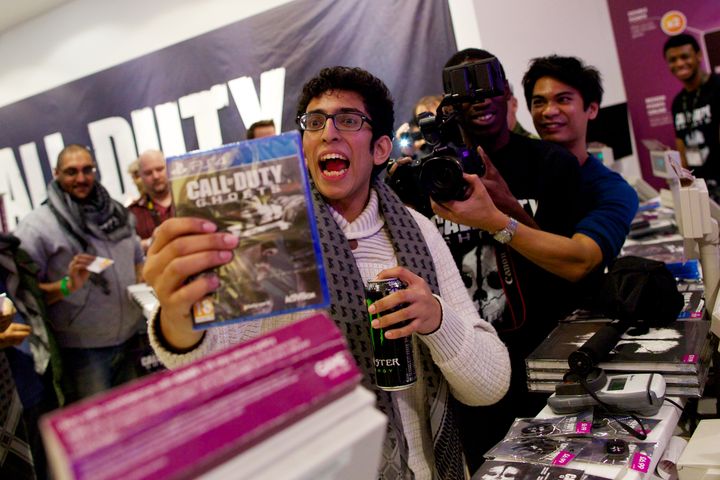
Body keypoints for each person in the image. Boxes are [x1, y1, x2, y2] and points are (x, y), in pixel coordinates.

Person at [144, 66, 511, 479]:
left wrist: (437, 320)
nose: (328, 133)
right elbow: (213, 355)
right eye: (314, 122)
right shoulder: (273, 235)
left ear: (380, 149)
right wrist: (178, 313)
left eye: (349, 120)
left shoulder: (418, 232)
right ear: (302, 146)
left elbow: (490, 384)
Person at [391, 48, 586, 471]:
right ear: (447, 108)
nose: (478, 101)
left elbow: (572, 266)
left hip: (545, 356)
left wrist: (507, 208)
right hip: (468, 364)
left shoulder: (551, 164)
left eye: (487, 90)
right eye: (464, 95)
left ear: (507, 94)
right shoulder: (428, 178)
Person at [14, 144, 145, 403]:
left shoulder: (117, 213)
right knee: (97, 431)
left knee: (137, 423)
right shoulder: (36, 226)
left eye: (87, 170)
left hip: (132, 338)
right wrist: (66, 286)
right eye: (71, 172)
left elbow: (138, 262)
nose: (81, 178)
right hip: (84, 352)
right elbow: (25, 296)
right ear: (56, 174)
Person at [520, 55, 638, 275]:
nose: (549, 111)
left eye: (563, 100)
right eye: (539, 102)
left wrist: (498, 222)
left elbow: (581, 262)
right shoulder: (517, 174)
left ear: (591, 109)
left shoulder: (613, 190)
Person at [664, 33, 720, 190]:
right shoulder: (678, 103)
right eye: (672, 60)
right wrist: (684, 186)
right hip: (699, 188)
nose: (679, 63)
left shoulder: (717, 87)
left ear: (699, 56)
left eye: (685, 56)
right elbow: (681, 150)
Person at [128, 149, 175, 253]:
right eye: (148, 173)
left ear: (168, 167)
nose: (156, 176)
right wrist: (150, 243)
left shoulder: (187, 201)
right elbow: (124, 251)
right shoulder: (132, 213)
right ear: (140, 176)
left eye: (159, 169)